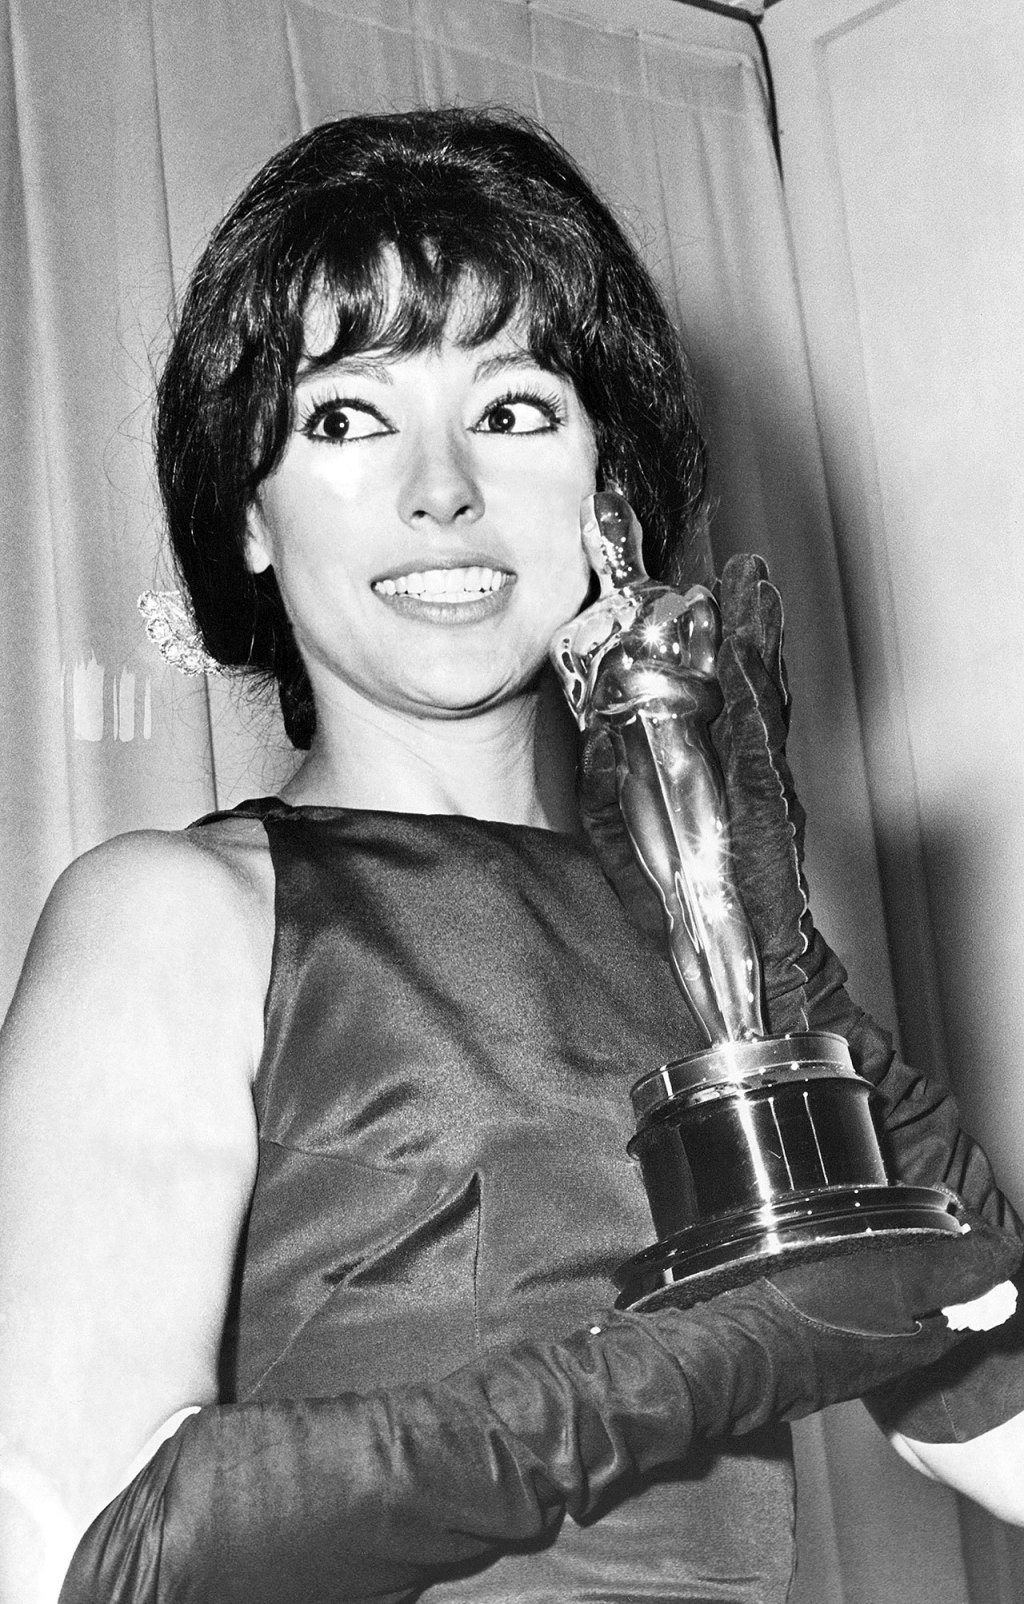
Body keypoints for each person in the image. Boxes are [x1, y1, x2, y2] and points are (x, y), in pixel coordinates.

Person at [1, 108, 1022, 1604]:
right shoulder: (177, 911)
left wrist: (792, 984)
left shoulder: (700, 932)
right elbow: (76, 1550)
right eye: (348, 418)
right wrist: (702, 1361)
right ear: (250, 513)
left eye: (516, 407)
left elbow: (991, 1407)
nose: (442, 489)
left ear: (610, 496)